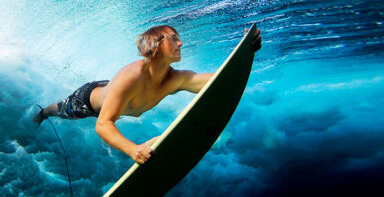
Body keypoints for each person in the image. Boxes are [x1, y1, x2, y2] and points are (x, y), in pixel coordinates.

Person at [34, 25, 261, 164]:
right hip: (87, 101)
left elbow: (216, 79)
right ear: (155, 44)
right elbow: (103, 124)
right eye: (173, 38)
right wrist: (133, 149)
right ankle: (43, 112)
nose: (181, 42)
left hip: (115, 92)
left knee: (114, 95)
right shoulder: (131, 77)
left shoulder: (175, 78)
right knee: (60, 110)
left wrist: (245, 52)